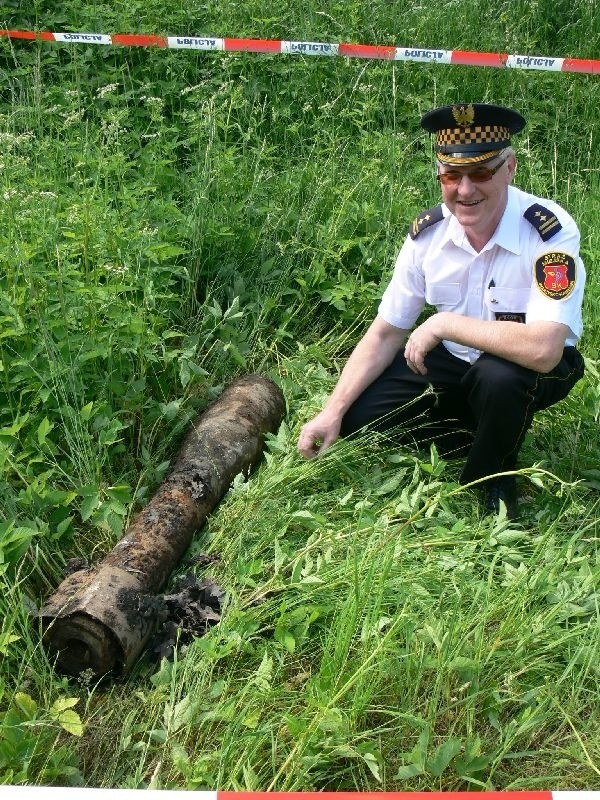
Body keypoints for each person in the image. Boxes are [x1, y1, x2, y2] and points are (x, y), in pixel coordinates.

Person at [297, 103, 585, 518]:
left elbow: (545, 351)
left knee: (498, 377)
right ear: (440, 175)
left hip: (533, 368)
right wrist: (332, 410)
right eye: (452, 175)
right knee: (359, 416)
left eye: (481, 173)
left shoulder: (548, 230)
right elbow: (385, 334)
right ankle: (476, 432)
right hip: (455, 361)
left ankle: (492, 476)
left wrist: (444, 322)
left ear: (510, 168)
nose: (465, 190)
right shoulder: (427, 235)